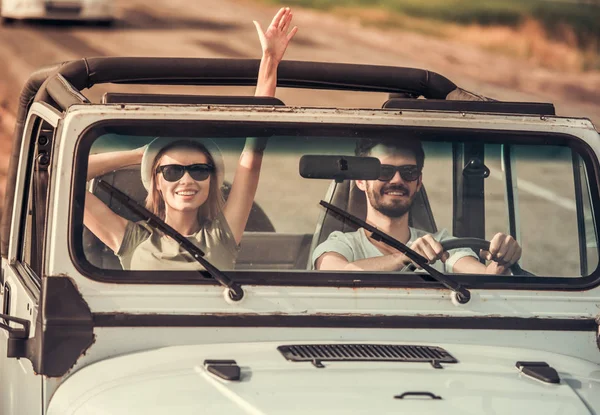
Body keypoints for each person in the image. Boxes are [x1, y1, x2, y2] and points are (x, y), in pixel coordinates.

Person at [84, 7, 298, 270]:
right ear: (157, 182)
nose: (187, 179)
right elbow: (65, 174)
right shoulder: (130, 239)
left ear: (211, 181)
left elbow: (253, 154)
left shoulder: (221, 237)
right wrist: (143, 154)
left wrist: (269, 61)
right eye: (172, 171)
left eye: (199, 170)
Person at [312, 138, 522, 274]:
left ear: (418, 181)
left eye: (408, 172)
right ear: (360, 180)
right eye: (384, 171)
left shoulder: (441, 244)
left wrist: (501, 259)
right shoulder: (342, 244)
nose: (397, 180)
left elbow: (482, 277)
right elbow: (336, 272)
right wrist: (405, 257)